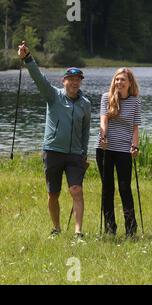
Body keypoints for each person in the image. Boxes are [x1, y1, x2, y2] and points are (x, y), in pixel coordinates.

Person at [18, 41, 91, 242]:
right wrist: (27, 58)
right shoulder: (53, 96)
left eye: (78, 80)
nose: (75, 83)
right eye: (71, 79)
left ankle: (78, 233)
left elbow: (85, 131)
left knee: (76, 190)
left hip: (75, 154)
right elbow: (38, 78)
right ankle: (57, 228)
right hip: (52, 151)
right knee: (53, 194)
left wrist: (84, 153)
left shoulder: (86, 104)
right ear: (64, 81)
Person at [96, 68, 141, 237]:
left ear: (130, 83)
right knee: (107, 188)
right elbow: (103, 120)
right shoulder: (106, 98)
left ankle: (131, 228)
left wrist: (135, 146)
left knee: (124, 188)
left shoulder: (135, 101)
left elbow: (135, 127)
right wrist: (104, 137)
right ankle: (110, 227)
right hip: (105, 148)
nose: (119, 83)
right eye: (117, 80)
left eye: (123, 80)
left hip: (124, 150)